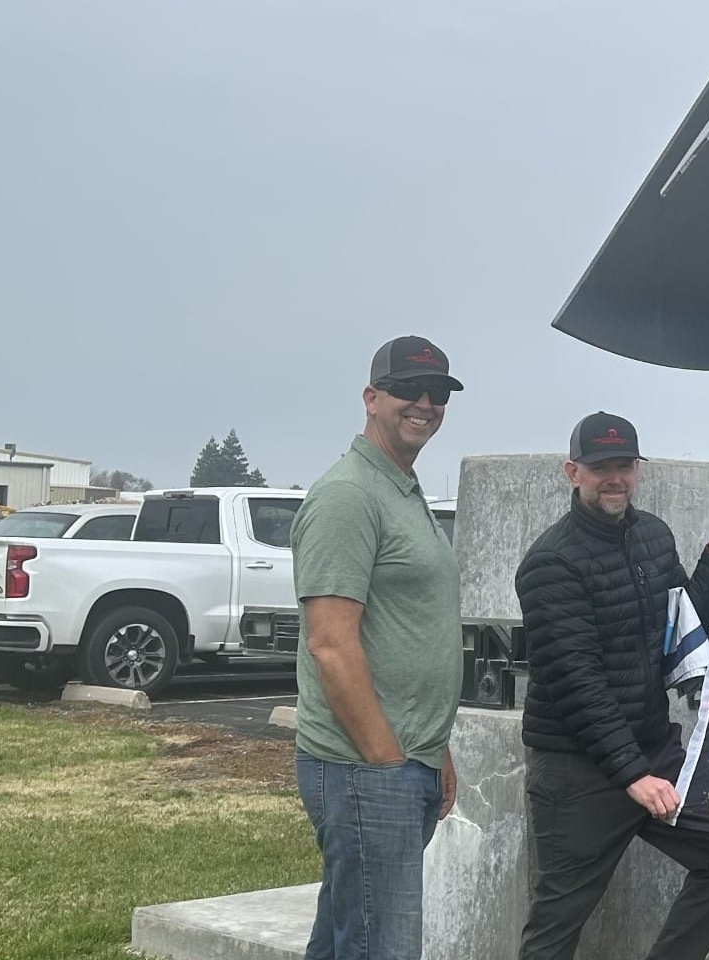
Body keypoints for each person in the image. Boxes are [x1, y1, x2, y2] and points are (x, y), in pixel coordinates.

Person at [516, 411, 709, 960]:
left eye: (624, 465)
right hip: (579, 770)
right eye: (601, 468)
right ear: (572, 472)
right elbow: (577, 683)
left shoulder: (653, 536)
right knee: (559, 921)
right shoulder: (550, 563)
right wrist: (634, 776)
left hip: (652, 749)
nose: (615, 479)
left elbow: (682, 625)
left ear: (637, 468)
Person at [291, 335, 467, 960]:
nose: (425, 403)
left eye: (438, 393)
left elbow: (407, 628)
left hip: (403, 758)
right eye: (408, 390)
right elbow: (331, 645)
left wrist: (432, 746)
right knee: (380, 947)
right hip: (364, 767)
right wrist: (389, 762)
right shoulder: (347, 496)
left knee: (344, 939)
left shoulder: (402, 488)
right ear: (371, 398)